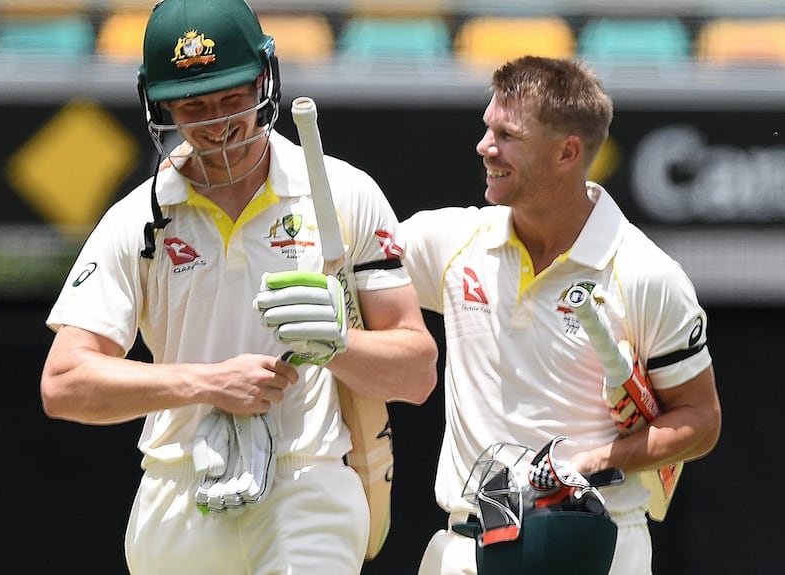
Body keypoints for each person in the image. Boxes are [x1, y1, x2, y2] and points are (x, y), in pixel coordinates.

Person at [39, 0, 438, 573]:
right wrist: (208, 382)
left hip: (306, 482)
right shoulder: (140, 219)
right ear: (160, 104)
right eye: (194, 106)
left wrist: (338, 344)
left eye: (232, 98)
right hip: (177, 488)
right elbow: (63, 383)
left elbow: (418, 374)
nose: (218, 124)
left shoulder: (342, 193)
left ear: (263, 81)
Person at [400, 56, 722, 575]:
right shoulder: (453, 240)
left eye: (507, 135)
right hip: (467, 545)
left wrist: (597, 462)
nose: (485, 146)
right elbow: (359, 267)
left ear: (567, 152)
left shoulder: (647, 275)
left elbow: (700, 421)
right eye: (487, 128)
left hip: (597, 546)